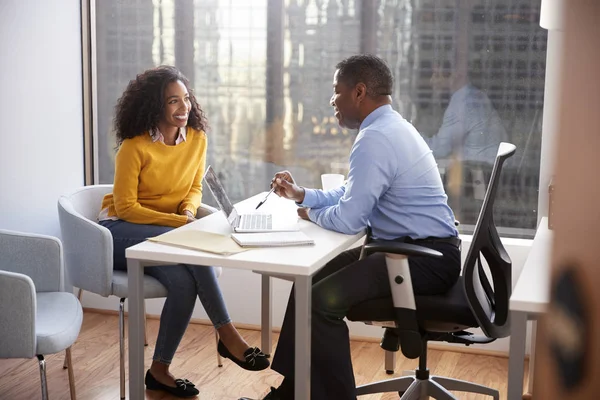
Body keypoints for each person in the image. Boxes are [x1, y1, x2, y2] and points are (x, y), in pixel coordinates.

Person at [238, 55, 461, 400]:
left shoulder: (375, 138)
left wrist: (309, 214)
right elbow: (353, 192)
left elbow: (349, 219)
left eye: (336, 91)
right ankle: (292, 391)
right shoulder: (391, 127)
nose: (332, 101)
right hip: (412, 251)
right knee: (308, 280)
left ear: (359, 92)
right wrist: (303, 196)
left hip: (419, 259)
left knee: (322, 302)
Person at [98, 65, 269, 398]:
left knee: (183, 284)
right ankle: (228, 335)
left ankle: (158, 371)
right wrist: (182, 224)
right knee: (192, 247)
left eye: (186, 99)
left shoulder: (197, 139)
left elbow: (193, 187)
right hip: (120, 231)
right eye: (172, 101)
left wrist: (189, 212)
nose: (183, 108)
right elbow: (128, 207)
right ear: (154, 106)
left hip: (166, 233)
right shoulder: (135, 147)